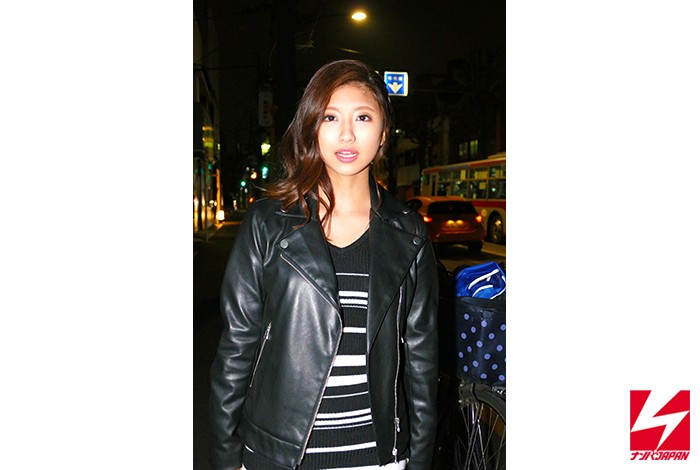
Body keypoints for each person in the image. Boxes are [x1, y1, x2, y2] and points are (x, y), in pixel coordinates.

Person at [209, 59, 439, 470]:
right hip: (279, 455)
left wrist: (418, 458)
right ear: (312, 126)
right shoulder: (268, 222)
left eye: (363, 117)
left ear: (383, 132)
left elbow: (421, 359)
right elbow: (237, 345)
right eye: (331, 116)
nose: (346, 133)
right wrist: (226, 456)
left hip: (376, 457)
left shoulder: (408, 232)